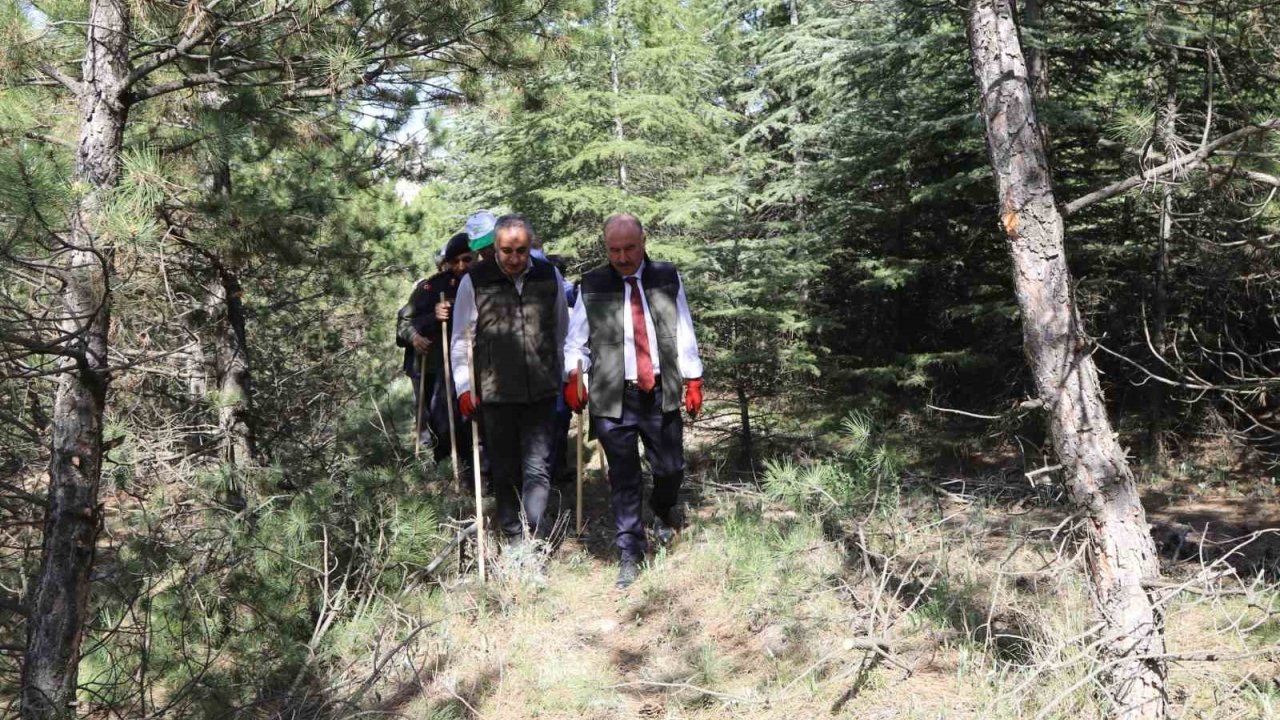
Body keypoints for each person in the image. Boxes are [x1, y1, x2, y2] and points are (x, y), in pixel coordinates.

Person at [563, 213, 704, 589]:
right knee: (623, 477)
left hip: (660, 389)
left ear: (643, 241)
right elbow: (576, 342)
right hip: (613, 394)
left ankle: (661, 510)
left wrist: (694, 377)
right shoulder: (592, 284)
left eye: (629, 248)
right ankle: (630, 552)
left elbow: (684, 327)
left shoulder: (666, 276)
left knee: (670, 466)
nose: (622, 257)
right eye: (614, 250)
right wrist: (574, 375)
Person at [451, 214, 570, 543]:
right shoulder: (474, 281)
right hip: (495, 393)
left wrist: (562, 372)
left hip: (542, 390)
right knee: (504, 471)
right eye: (507, 251)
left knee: (538, 468)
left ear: (530, 246)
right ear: (495, 247)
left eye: (521, 250)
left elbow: (561, 328)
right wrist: (464, 388)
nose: (515, 259)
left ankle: (534, 532)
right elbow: (461, 339)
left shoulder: (549, 275)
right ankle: (514, 538)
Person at [412, 232, 477, 471]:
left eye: (466, 259)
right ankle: (447, 471)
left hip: (480, 361)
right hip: (443, 365)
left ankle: (479, 472)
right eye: (455, 261)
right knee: (443, 421)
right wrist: (433, 316)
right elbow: (409, 321)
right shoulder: (433, 286)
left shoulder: (486, 279)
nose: (461, 266)